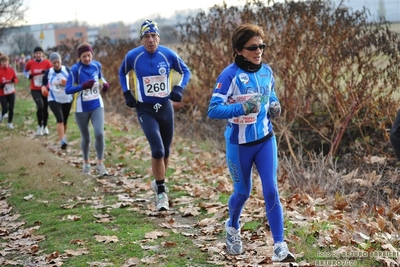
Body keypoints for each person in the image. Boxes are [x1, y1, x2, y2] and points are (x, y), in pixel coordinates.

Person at [207, 24, 295, 262]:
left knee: (271, 190)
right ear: (238, 50)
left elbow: (271, 95)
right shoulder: (228, 76)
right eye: (253, 47)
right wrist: (242, 108)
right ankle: (233, 227)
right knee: (242, 192)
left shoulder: (267, 71)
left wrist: (275, 106)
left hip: (266, 140)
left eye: (261, 46)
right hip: (238, 145)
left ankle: (279, 245)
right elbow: (213, 110)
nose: (259, 51)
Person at [118, 19, 191, 211]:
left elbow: (186, 71)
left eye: (153, 36)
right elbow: (121, 73)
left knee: (166, 151)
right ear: (142, 39)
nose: (151, 40)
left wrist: (179, 88)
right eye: (146, 37)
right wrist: (127, 92)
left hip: (165, 107)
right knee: (157, 150)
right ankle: (161, 193)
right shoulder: (133, 56)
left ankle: (159, 182)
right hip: (145, 109)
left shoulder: (168, 54)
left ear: (158, 37)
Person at [65, 42, 110, 176]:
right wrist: (82, 86)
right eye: (84, 56)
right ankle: (86, 164)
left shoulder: (97, 65)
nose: (87, 59)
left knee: (99, 133)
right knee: (86, 137)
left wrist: (105, 84)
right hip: (81, 107)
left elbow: (101, 78)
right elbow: (68, 89)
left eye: (89, 56)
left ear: (92, 54)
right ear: (80, 57)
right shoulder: (75, 69)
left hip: (96, 104)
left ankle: (100, 165)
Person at [41, 52, 72, 149]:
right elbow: (43, 84)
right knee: (60, 119)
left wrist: (67, 83)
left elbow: (74, 83)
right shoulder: (49, 72)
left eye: (58, 62)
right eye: (54, 63)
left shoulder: (66, 70)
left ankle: (63, 136)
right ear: (51, 63)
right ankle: (62, 141)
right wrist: (43, 90)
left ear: (61, 61)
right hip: (54, 99)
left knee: (65, 121)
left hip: (67, 98)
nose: (56, 64)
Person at [24, 46, 52, 136]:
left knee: (45, 108)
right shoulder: (30, 63)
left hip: (45, 88)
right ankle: (40, 126)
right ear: (34, 55)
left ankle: (45, 126)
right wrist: (28, 76)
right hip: (35, 88)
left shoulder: (47, 63)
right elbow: (25, 71)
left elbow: (52, 72)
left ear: (42, 54)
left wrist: (46, 73)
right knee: (40, 106)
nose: (38, 55)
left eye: (40, 53)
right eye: (36, 53)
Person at [0, 54, 18, 129]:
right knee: (5, 108)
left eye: (6, 61)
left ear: (8, 62)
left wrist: (14, 80)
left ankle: (9, 123)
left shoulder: (11, 70)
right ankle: (1, 114)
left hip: (11, 92)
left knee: (11, 108)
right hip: (2, 93)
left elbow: (16, 79)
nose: (5, 63)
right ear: (1, 62)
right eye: (3, 61)